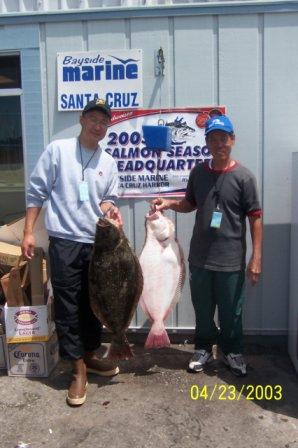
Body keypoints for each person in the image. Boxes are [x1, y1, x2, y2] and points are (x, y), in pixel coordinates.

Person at [21, 98, 123, 406]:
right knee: (67, 307)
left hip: (97, 244)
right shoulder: (58, 150)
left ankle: (89, 356)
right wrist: (28, 231)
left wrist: (109, 209)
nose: (98, 125)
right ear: (81, 119)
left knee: (94, 304)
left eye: (104, 121)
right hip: (65, 241)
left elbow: (107, 199)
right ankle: (76, 368)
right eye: (93, 118)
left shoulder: (108, 162)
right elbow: (37, 190)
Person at [151, 114, 262, 377]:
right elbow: (189, 204)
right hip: (200, 259)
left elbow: (255, 218)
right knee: (202, 310)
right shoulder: (199, 173)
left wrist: (256, 258)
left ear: (232, 140)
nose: (218, 143)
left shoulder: (244, 177)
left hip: (231, 261)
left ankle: (231, 351)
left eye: (223, 138)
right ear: (207, 143)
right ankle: (202, 349)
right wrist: (169, 204)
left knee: (231, 313)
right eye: (213, 139)